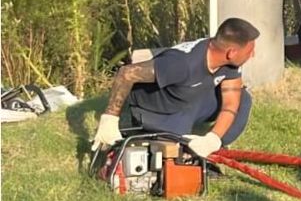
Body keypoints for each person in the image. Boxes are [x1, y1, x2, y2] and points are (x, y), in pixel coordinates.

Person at [89, 17, 259, 158]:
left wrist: (213, 138)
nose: (253, 55)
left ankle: (215, 148)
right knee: (178, 152)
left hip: (191, 99)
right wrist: (109, 119)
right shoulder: (181, 63)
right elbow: (126, 73)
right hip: (159, 109)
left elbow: (231, 103)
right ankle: (146, 133)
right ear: (231, 52)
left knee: (244, 99)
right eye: (250, 51)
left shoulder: (230, 62)